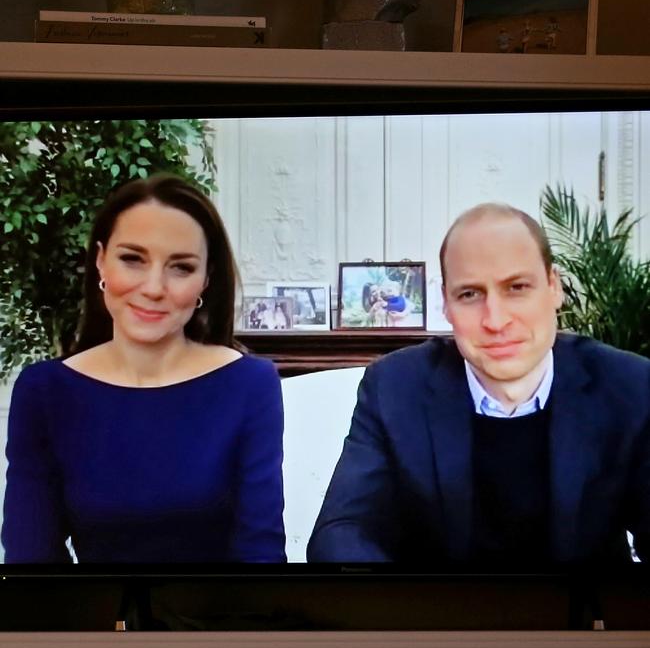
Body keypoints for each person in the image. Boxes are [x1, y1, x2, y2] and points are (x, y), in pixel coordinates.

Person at [307, 203, 650, 567]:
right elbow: (341, 532)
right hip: (439, 619)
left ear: (554, 287)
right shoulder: (394, 388)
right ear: (446, 305)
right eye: (470, 294)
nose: (496, 320)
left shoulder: (630, 386)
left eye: (517, 287)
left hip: (583, 619)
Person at [2, 174, 286, 564]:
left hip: (222, 622)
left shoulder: (251, 383)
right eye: (132, 259)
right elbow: (30, 562)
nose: (154, 287)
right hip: (92, 622)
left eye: (181, 268)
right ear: (101, 261)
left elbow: (261, 555)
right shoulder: (44, 391)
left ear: (207, 278)